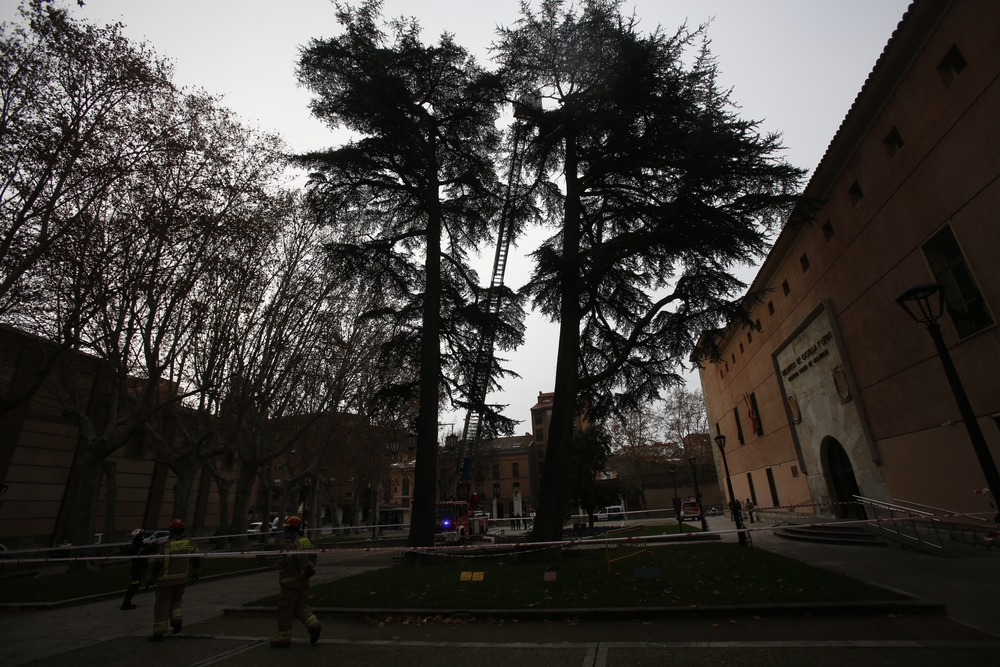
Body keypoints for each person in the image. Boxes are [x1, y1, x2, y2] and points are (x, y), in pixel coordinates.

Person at [271, 516, 321, 648]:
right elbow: (313, 556)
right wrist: (309, 569)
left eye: (286, 529)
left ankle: (283, 640)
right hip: (304, 583)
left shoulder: (291, 544)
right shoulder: (305, 541)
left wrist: (301, 574)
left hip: (290, 585)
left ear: (292, 529)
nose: (284, 531)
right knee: (301, 607)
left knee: (285, 612)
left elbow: (293, 562)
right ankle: (314, 625)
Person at [147, 519, 200, 641]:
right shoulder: (190, 544)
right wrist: (196, 572)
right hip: (182, 579)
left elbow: (158, 565)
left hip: (166, 582)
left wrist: (151, 578)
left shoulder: (166, 546)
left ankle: (158, 633)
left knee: (162, 605)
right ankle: (177, 620)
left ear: (172, 532)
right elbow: (196, 560)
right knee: (176, 601)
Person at [121, 528, 156, 610]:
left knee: (135, 586)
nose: (143, 538)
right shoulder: (136, 547)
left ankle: (127, 602)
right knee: (134, 586)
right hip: (137, 569)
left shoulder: (137, 545)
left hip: (138, 568)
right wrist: (153, 545)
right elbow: (145, 552)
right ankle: (126, 603)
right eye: (141, 536)